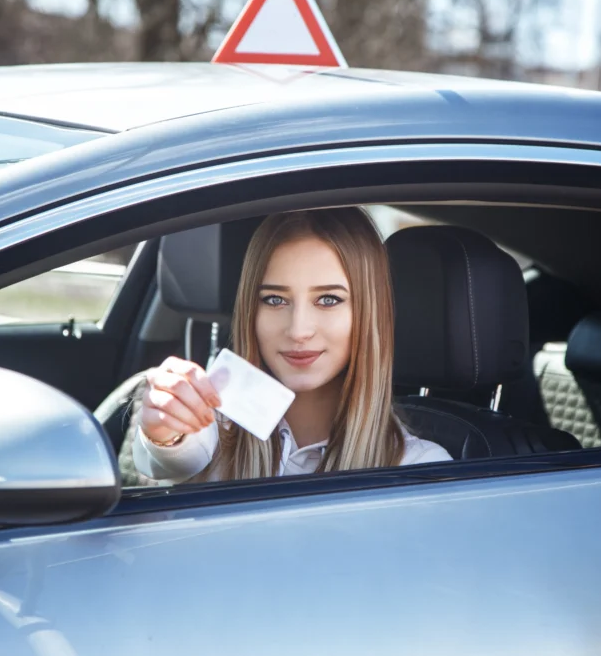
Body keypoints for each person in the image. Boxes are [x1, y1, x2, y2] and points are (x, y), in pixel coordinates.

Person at [129, 207, 451, 483]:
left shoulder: (419, 470)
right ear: (250, 311)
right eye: (275, 299)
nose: (298, 330)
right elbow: (173, 459)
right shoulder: (210, 428)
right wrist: (167, 433)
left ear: (370, 313)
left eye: (328, 299)